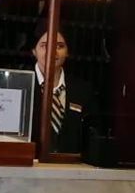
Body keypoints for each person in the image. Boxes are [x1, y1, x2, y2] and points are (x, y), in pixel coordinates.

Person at [30, 17, 96, 153]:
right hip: (29, 163)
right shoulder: (21, 85)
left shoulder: (83, 90)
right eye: (44, 45)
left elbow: (91, 137)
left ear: (67, 52)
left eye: (59, 46)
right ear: (34, 51)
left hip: (70, 164)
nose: (52, 51)